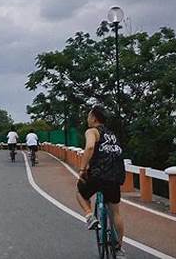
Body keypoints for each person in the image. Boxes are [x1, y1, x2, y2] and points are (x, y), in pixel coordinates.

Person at [76, 106, 126, 257]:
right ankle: (118, 249)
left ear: (94, 118)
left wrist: (82, 169)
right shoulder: (112, 134)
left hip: (98, 174)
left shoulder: (92, 131)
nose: (87, 118)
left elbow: (90, 147)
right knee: (115, 212)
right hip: (116, 175)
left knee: (80, 192)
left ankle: (90, 216)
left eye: (89, 115)